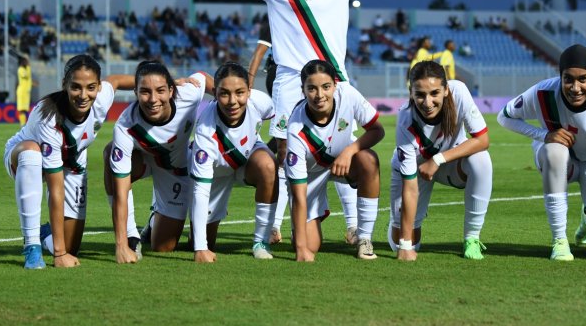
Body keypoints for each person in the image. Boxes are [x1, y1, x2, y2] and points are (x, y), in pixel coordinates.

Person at [160, 0, 460, 246]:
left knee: (344, 148)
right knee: (286, 152)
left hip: (334, 80)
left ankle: (358, 231)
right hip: (289, 82)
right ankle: (276, 226)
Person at [497, 45, 586, 261]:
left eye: (583, 79)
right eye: (568, 79)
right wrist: (543, 135)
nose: (575, 88)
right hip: (557, 157)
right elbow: (504, 116)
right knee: (555, 151)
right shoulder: (543, 93)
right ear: (560, 76)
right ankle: (559, 240)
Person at [3, 55, 133, 270]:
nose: (83, 95)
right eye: (75, 87)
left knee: (71, 245)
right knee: (32, 155)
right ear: (64, 85)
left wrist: (164, 83)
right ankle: (32, 245)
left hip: (72, 163)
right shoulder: (49, 117)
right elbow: (56, 190)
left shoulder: (100, 99)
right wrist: (59, 254)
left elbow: (117, 80)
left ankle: (47, 233)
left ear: (99, 87)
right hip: (23, 157)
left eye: (91, 87)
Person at [104, 61, 213, 264]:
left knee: (163, 247)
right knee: (110, 153)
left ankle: (155, 219)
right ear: (135, 92)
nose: (153, 99)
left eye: (160, 90)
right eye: (145, 92)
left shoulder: (188, 94)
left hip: (173, 169)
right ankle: (132, 237)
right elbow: (121, 190)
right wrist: (121, 245)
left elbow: (203, 78)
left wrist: (226, 98)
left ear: (171, 90)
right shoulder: (125, 125)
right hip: (141, 162)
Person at [390, 60, 493, 261]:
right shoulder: (405, 119)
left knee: (481, 160)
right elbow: (410, 187)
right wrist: (404, 245)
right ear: (411, 93)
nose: (427, 103)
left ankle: (471, 238)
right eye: (420, 95)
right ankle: (400, 226)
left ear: (446, 90)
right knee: (403, 243)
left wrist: (437, 159)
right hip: (416, 170)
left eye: (434, 93)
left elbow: (482, 140)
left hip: (449, 163)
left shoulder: (459, 93)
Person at [285, 60, 384, 262]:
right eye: (311, 88)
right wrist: (302, 248)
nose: (320, 95)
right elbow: (299, 194)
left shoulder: (347, 94)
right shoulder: (295, 130)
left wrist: (350, 151)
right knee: (310, 246)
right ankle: (300, 231)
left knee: (368, 159)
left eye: (326, 87)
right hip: (310, 177)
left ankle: (364, 239)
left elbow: (377, 130)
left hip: (344, 161)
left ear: (335, 85)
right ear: (303, 90)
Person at [189, 62, 278, 262]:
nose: (232, 101)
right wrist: (200, 248)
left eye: (240, 93)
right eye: (224, 94)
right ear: (215, 92)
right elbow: (200, 191)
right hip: (216, 175)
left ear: (249, 91)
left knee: (268, 164)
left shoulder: (261, 102)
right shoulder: (205, 131)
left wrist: (274, 151)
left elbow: (279, 121)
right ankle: (156, 222)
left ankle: (261, 242)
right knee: (186, 243)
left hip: (247, 164)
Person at [15, 55, 37, 125]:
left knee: (25, 109)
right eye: (26, 61)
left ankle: (24, 123)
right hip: (22, 92)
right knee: (22, 109)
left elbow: (28, 79)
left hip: (26, 92)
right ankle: (22, 124)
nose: (27, 62)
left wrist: (32, 83)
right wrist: (28, 66)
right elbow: (26, 75)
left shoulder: (26, 69)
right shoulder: (21, 69)